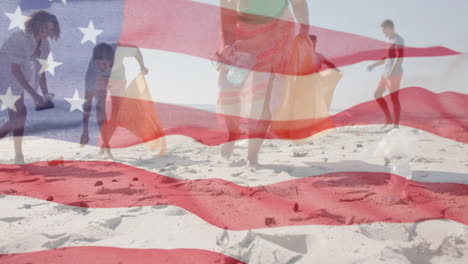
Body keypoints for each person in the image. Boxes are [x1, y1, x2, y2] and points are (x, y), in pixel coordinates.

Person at [217, 0, 310, 167]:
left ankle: (252, 155)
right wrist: (227, 45)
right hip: (241, 32)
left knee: (263, 96)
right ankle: (233, 133)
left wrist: (304, 29)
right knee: (228, 89)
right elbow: (227, 18)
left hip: (277, 32)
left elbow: (298, 3)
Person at [0, 11, 60, 164]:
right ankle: (19, 156)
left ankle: (18, 156)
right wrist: (34, 95)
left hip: (18, 77)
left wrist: (45, 94)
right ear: (36, 24)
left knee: (16, 118)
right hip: (4, 75)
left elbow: (41, 70)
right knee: (20, 112)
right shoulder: (19, 38)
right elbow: (14, 70)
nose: (48, 33)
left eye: (50, 30)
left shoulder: (45, 44)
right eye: (45, 28)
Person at [81, 43, 149, 158]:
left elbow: (136, 50)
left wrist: (142, 66)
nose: (101, 67)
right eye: (98, 64)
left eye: (104, 64)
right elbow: (88, 104)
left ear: (111, 60)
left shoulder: (120, 50)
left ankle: (104, 143)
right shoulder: (92, 72)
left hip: (118, 78)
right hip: (100, 79)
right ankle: (106, 144)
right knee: (100, 109)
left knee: (116, 113)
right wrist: (85, 130)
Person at [367, 19, 404, 128]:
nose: (383, 32)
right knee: (377, 94)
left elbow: (400, 57)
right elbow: (386, 58)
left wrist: (392, 72)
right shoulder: (388, 40)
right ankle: (388, 119)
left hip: (395, 73)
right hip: (385, 74)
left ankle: (396, 125)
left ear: (389, 28)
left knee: (394, 98)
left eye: (383, 29)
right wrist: (373, 65)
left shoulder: (398, 39)